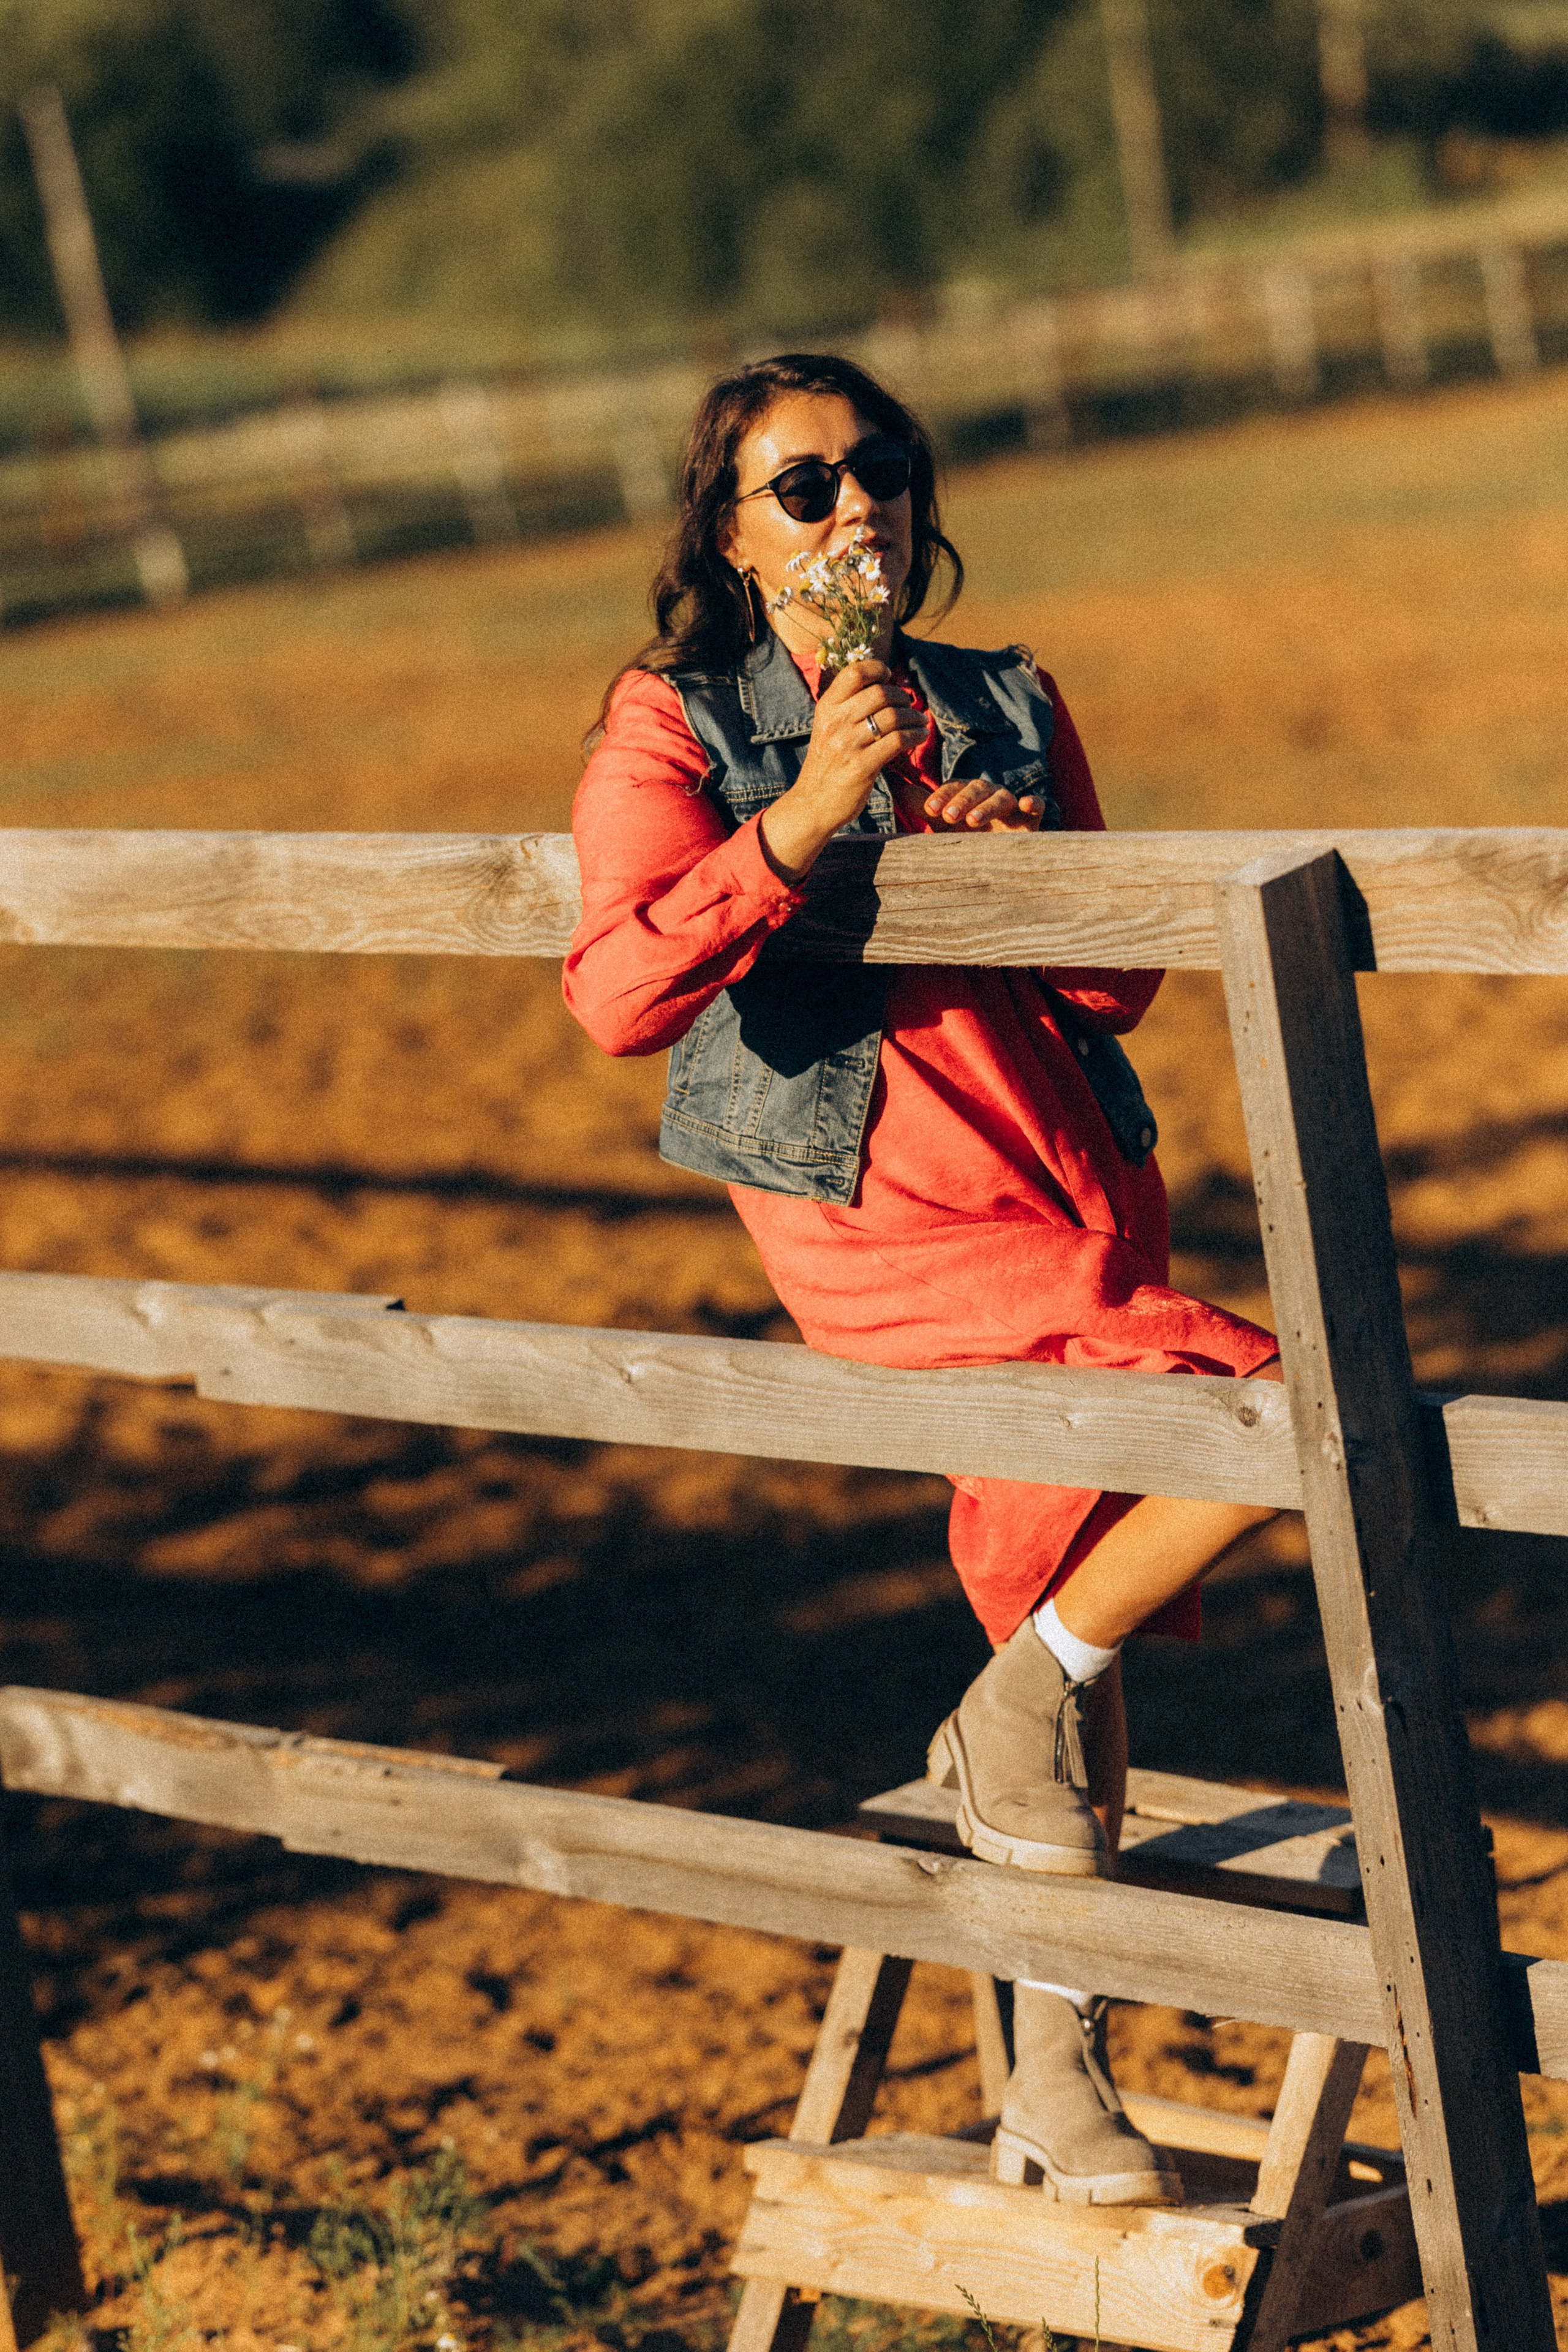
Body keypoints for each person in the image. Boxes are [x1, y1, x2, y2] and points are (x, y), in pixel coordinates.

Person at [564, 352, 1284, 2209]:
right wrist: (803, 818)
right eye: (801, 485)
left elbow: (1121, 976)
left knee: (1070, 1582)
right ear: (729, 531)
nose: (852, 504)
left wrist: (1015, 870)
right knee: (1257, 1410)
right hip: (877, 1209)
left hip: (1074, 1178)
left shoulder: (1005, 697)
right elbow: (619, 990)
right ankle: (1012, 1703)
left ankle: (1052, 2082)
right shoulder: (675, 716)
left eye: (878, 469)